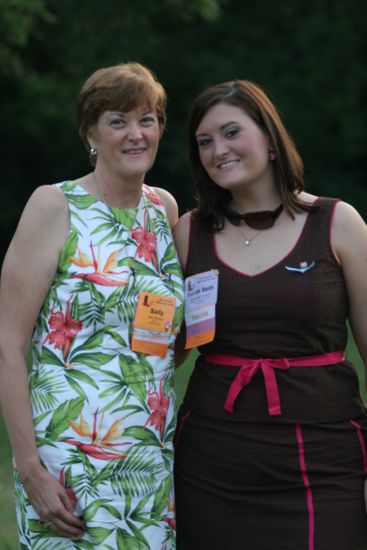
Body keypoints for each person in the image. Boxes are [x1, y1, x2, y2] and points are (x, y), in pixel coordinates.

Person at [173, 80, 367, 549]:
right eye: (204, 141)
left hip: (324, 464)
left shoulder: (337, 223)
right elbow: (163, 354)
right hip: (211, 464)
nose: (218, 149)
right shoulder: (187, 233)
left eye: (232, 132)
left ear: (271, 139)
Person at [0, 62, 184, 549]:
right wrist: (30, 467)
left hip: (147, 459)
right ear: (91, 133)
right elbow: (8, 344)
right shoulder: (54, 205)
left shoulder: (164, 210)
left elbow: (167, 339)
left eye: (147, 119)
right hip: (68, 464)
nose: (135, 134)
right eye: (117, 121)